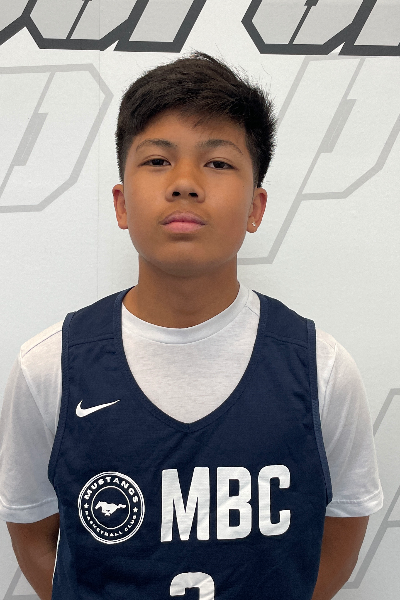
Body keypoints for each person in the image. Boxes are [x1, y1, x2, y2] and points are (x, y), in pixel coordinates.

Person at [0, 51, 383, 600]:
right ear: (121, 204)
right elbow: (35, 538)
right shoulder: (48, 368)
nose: (185, 183)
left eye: (218, 163)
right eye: (158, 160)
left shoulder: (321, 370)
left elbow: (340, 534)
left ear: (255, 207)